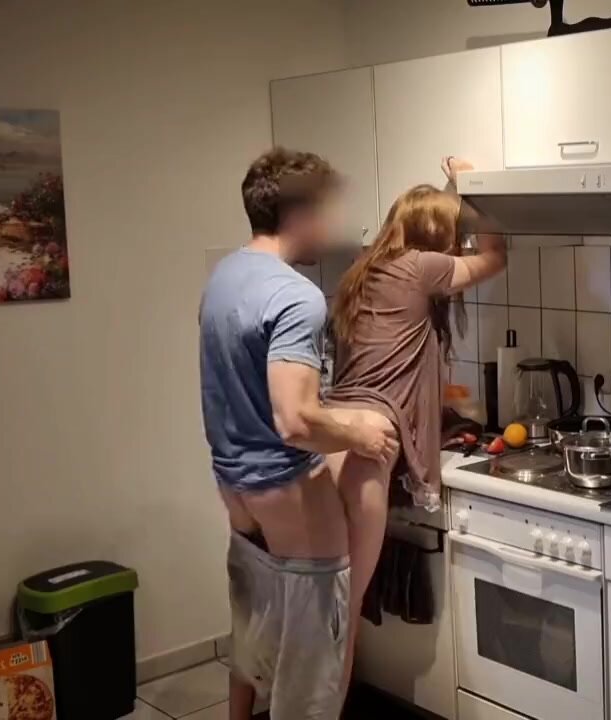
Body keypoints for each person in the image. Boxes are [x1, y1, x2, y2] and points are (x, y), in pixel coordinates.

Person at [199, 147, 399, 720]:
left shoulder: (224, 277)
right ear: (300, 214)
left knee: (254, 649)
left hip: (238, 492)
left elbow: (252, 393)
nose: (331, 227)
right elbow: (296, 420)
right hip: (289, 497)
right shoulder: (295, 295)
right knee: (311, 681)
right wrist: (359, 432)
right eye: (326, 212)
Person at [325, 158, 508, 694]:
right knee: (343, 616)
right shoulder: (422, 268)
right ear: (437, 239)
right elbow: (495, 257)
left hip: (332, 433)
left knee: (326, 604)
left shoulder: (364, 268)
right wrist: (476, 184)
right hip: (369, 443)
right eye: (453, 236)